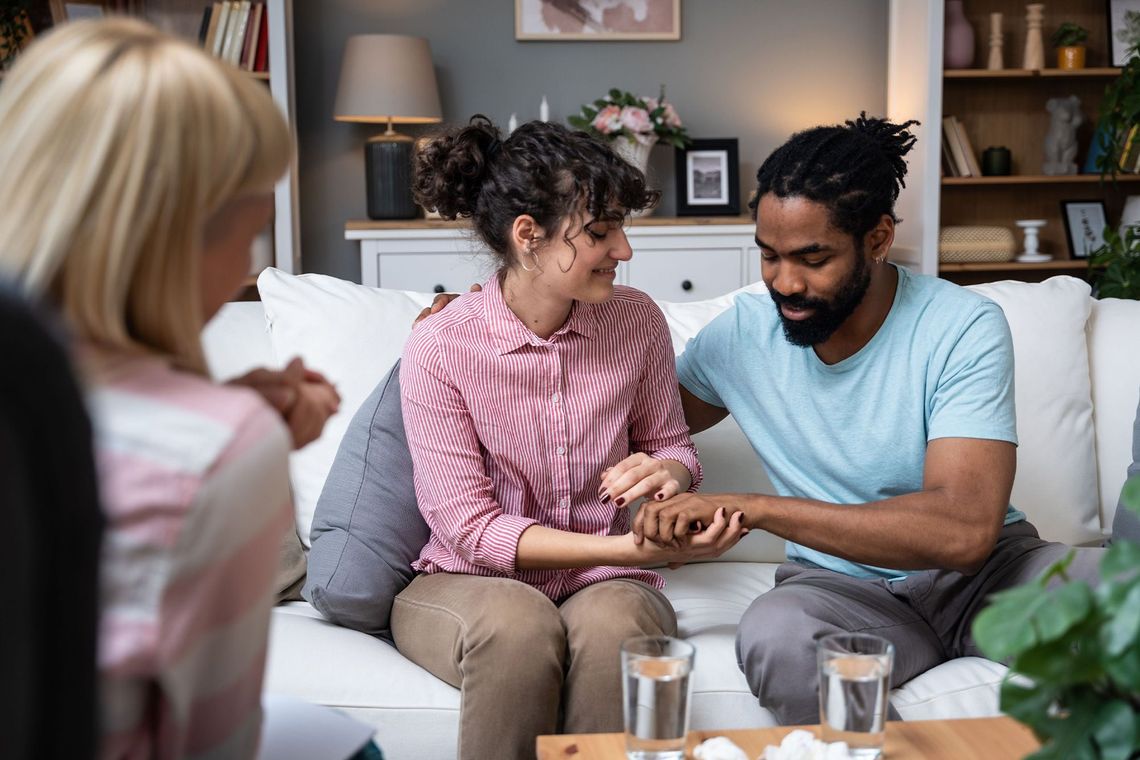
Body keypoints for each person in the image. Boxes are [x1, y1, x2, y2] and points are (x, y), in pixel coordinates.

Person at [631, 113, 1106, 724]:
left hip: (988, 580)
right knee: (777, 636)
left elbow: (964, 533)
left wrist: (757, 508)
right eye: (769, 256)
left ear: (878, 238)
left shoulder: (960, 325)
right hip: (838, 591)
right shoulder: (741, 336)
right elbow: (637, 423)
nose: (785, 282)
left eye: (813, 258)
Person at [0, 18, 347, 758]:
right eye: (249, 234)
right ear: (167, 240)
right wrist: (237, 442)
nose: (247, 268)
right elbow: (214, 744)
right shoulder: (219, 448)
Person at [396, 116, 746, 759]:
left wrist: (668, 475)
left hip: (607, 579)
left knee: (616, 626)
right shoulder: (441, 345)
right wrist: (628, 548)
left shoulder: (636, 321)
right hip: (467, 577)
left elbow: (673, 446)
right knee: (518, 628)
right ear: (528, 235)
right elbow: (468, 527)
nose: (624, 251)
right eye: (601, 232)